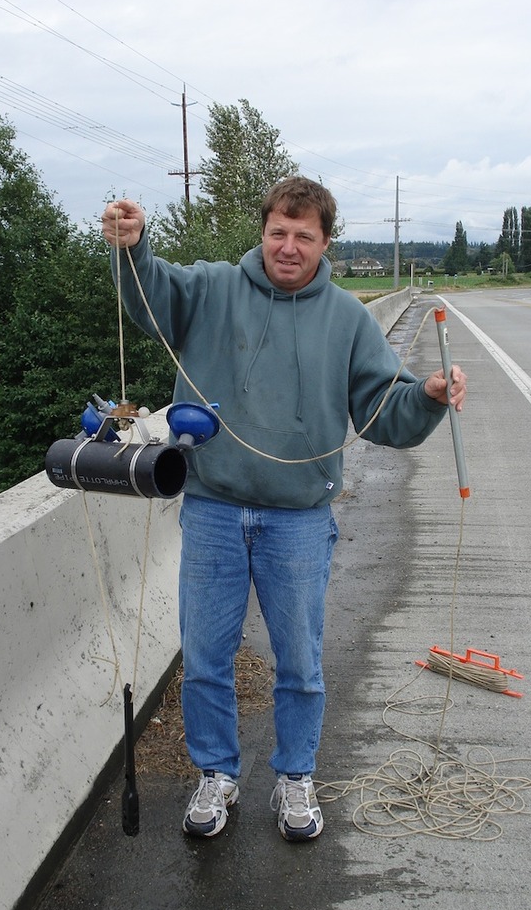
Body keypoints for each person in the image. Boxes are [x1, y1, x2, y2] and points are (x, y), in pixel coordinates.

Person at [101, 177, 467, 842]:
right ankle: (217, 776)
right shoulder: (210, 288)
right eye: (278, 232)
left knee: (299, 662)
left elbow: (388, 410)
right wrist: (132, 245)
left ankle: (296, 778)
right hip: (212, 508)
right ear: (263, 232)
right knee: (206, 657)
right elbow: (148, 294)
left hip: (299, 520)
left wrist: (433, 396)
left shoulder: (348, 319)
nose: (289, 247)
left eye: (304, 235)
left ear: (326, 242)